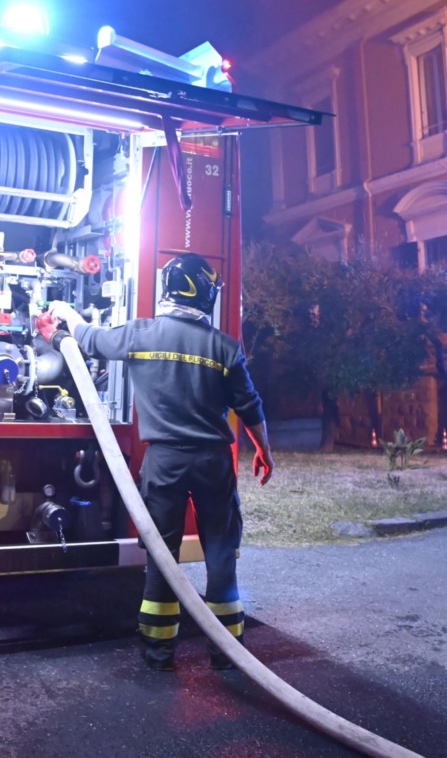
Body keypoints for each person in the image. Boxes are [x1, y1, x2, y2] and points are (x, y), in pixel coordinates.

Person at [37, 253, 274, 671]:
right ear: (204, 293)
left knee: (163, 556)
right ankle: (227, 653)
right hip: (213, 463)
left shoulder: (140, 335)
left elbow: (89, 340)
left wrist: (57, 331)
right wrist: (264, 451)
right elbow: (250, 406)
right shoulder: (224, 348)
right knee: (221, 552)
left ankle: (158, 653)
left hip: (163, 463)